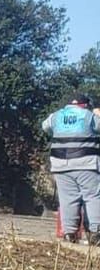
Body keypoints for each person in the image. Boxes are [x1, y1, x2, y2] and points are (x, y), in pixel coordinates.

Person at [44, 91, 99, 243]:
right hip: (85, 164)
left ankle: (69, 233)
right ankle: (95, 232)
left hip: (60, 165)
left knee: (67, 199)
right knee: (92, 196)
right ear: (86, 105)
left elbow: (45, 127)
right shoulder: (88, 116)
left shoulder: (56, 116)